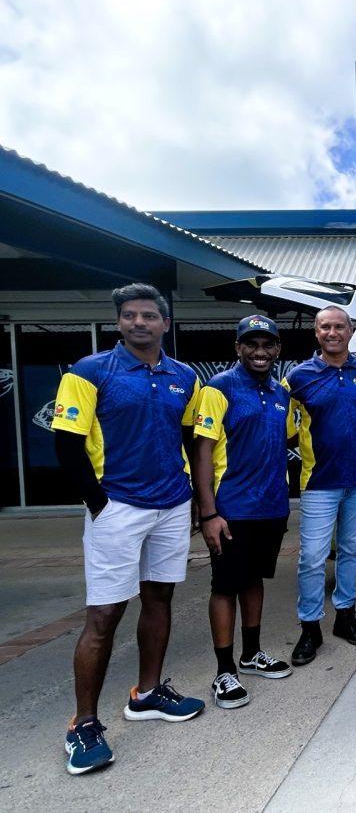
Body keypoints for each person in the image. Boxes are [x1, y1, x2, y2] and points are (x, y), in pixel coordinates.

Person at [53, 283, 205, 775]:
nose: (139, 323)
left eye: (149, 316)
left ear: (165, 323)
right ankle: (84, 724)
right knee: (105, 615)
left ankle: (146, 693)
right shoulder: (89, 372)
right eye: (130, 315)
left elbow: (187, 437)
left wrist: (191, 500)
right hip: (117, 508)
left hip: (171, 504)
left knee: (159, 599)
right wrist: (99, 505)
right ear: (119, 321)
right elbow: (67, 446)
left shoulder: (184, 376)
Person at [194, 315, 295, 709]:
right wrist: (208, 513)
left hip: (270, 506)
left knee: (254, 580)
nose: (259, 351)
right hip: (231, 509)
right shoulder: (219, 389)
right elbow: (202, 451)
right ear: (238, 348)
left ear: (277, 350)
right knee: (225, 586)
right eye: (250, 344)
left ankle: (251, 655)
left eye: (267, 344)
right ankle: (224, 671)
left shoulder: (279, 392)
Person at [284, 306, 356, 666]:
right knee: (311, 558)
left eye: (339, 326)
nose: (333, 332)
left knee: (351, 549)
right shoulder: (298, 376)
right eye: (325, 327)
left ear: (350, 330)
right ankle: (310, 627)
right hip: (319, 480)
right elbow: (282, 425)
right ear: (316, 332)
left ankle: (345, 616)